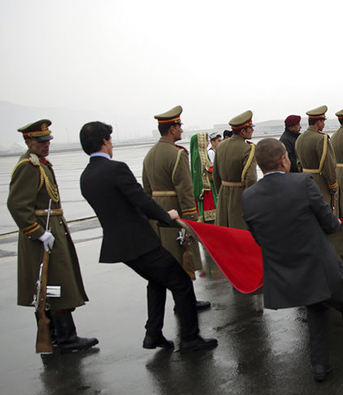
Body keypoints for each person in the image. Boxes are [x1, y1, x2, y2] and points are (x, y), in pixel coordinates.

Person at [241, 139, 343, 382]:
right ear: (284, 160)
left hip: (288, 271)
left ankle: (320, 366)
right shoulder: (302, 183)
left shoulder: (249, 196)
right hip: (320, 265)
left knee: (315, 309)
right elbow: (330, 224)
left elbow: (259, 237)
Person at [79, 121, 217, 352]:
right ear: (104, 142)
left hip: (119, 245)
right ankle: (190, 338)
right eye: (110, 140)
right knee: (181, 283)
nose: (111, 144)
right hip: (140, 242)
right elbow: (141, 201)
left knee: (157, 281)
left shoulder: (86, 177)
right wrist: (167, 216)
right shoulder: (115, 169)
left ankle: (153, 334)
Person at [8, 120, 98, 353]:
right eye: (41, 142)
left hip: (51, 230)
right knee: (54, 286)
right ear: (28, 142)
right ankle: (65, 337)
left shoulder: (41, 164)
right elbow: (17, 206)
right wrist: (37, 233)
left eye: (48, 141)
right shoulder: (28, 166)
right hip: (40, 237)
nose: (46, 145)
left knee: (52, 287)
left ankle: (57, 335)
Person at [143, 106, 210, 311]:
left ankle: (179, 299)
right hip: (175, 212)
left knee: (167, 257)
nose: (181, 130)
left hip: (156, 212)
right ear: (172, 129)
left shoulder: (150, 155)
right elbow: (184, 188)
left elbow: (146, 189)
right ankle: (186, 301)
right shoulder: (177, 154)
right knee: (182, 256)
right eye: (179, 126)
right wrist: (191, 218)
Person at [213, 110, 257, 229]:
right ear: (243, 131)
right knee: (241, 234)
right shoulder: (247, 149)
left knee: (224, 233)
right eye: (250, 127)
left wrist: (220, 192)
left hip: (223, 193)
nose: (252, 130)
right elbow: (251, 179)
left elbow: (215, 174)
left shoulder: (221, 146)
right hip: (239, 197)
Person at [296, 105, 339, 215]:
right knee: (325, 213)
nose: (324, 124)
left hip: (304, 181)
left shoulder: (300, 138)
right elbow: (328, 165)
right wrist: (333, 185)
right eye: (323, 121)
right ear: (318, 122)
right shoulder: (321, 139)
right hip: (320, 182)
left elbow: (299, 163)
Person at [191, 132, 218, 223]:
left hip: (210, 188)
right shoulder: (199, 159)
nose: (207, 143)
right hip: (205, 191)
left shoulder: (205, 156)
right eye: (206, 140)